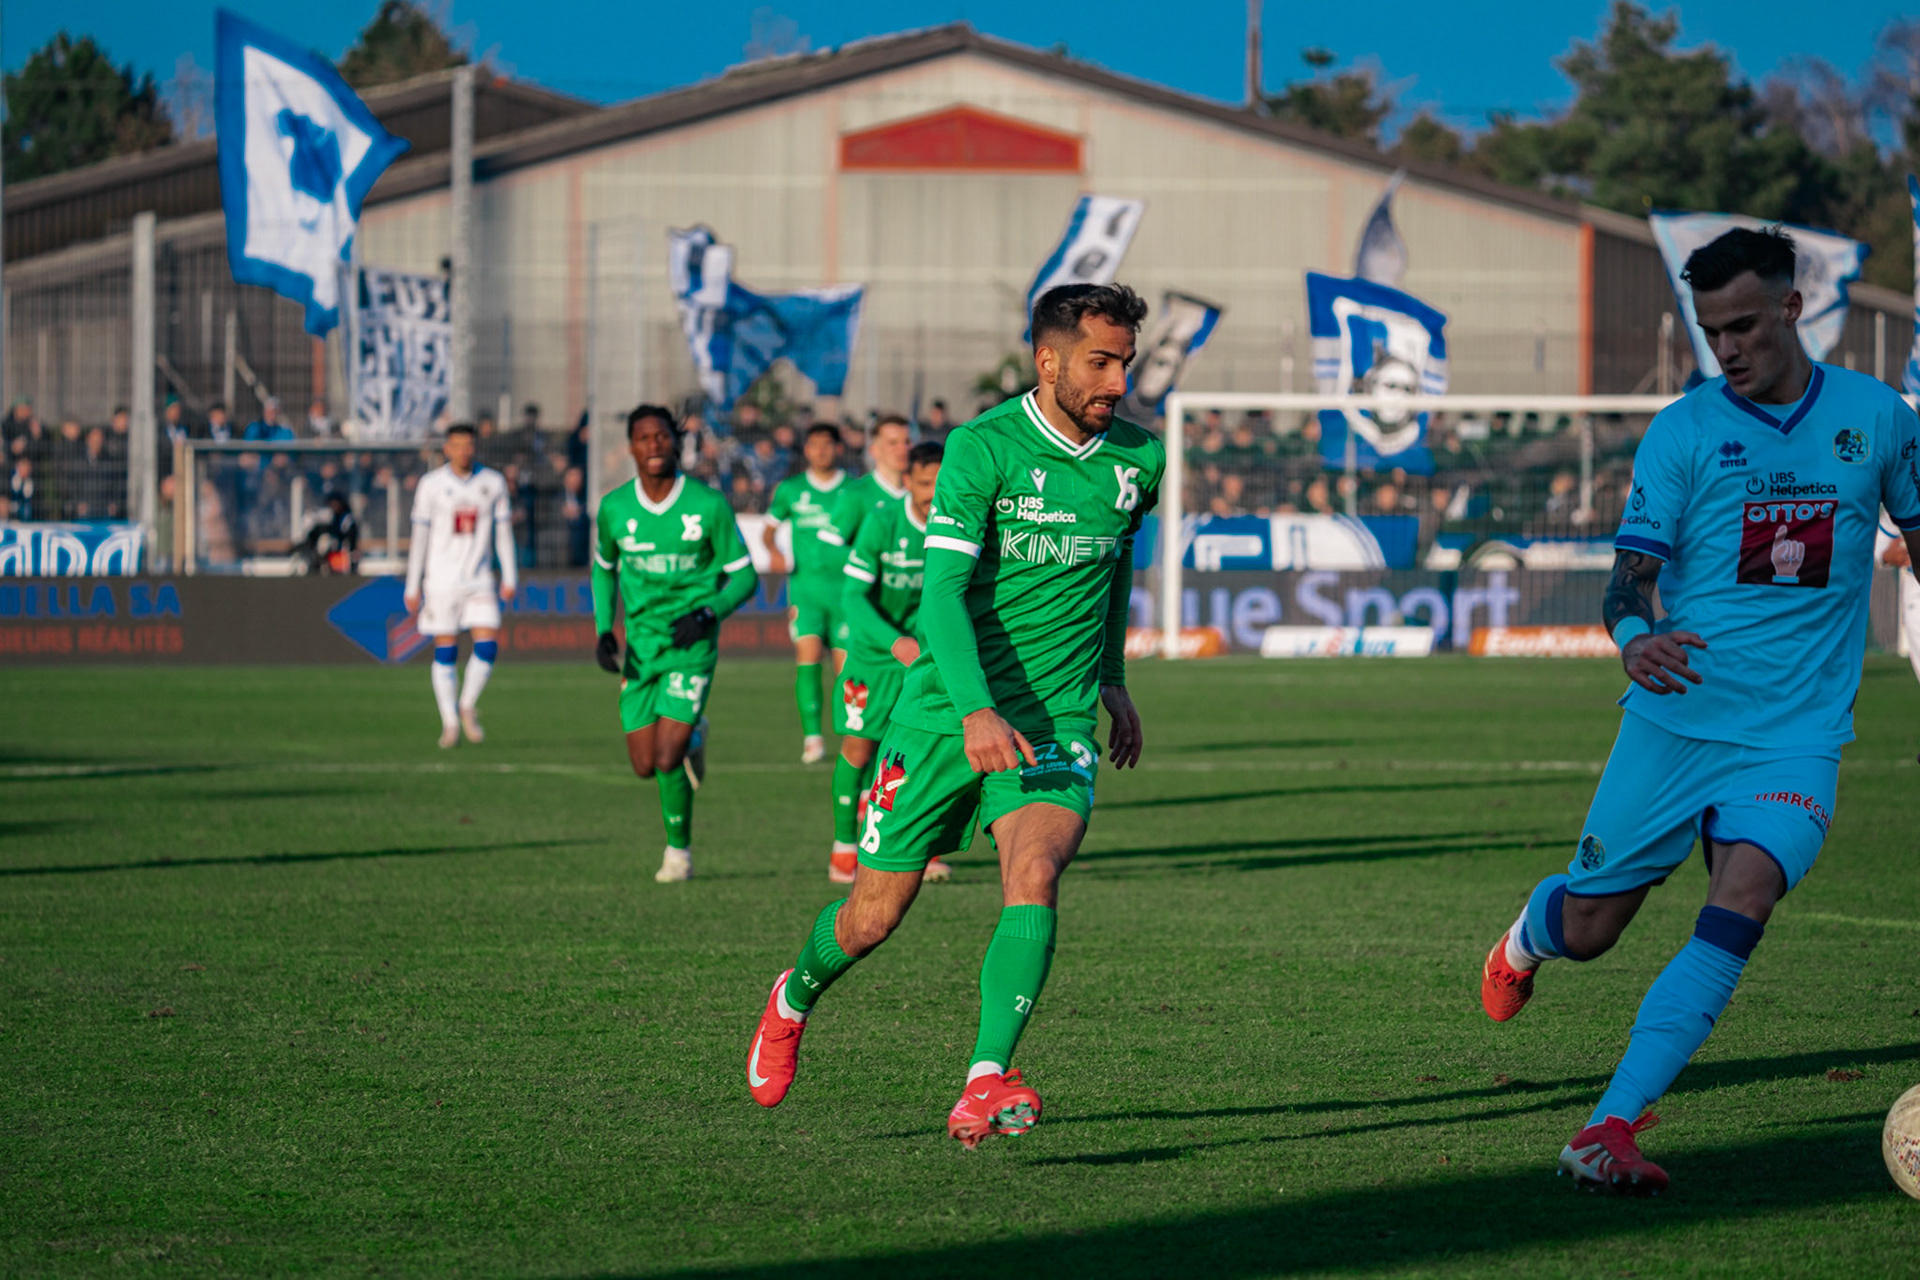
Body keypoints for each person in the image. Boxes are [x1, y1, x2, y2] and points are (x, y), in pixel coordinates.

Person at [1476, 227, 1920, 1194]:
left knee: (1743, 898)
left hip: (1797, 738)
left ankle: (1609, 1126)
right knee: (1593, 929)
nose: (1730, 348)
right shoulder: (1682, 431)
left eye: (1747, 325)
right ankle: (1528, 935)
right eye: (1715, 332)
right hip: (1676, 718)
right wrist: (1634, 636)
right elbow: (1627, 581)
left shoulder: (1878, 418)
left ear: (1794, 310)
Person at [745, 282, 1162, 1147]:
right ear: (1047, 362)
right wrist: (974, 708)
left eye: (1125, 361)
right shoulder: (981, 450)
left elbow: (1116, 568)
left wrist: (1112, 676)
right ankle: (792, 999)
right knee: (871, 919)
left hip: (1056, 721)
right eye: (1100, 361)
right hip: (942, 715)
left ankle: (984, 1078)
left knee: (1035, 874)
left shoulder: (1139, 460)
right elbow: (939, 593)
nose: (1117, 381)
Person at [592, 405, 760, 884]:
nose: (653, 446)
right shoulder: (615, 508)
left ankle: (678, 854)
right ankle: (696, 734)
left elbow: (745, 576)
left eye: (661, 437)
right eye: (643, 438)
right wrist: (605, 629)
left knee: (668, 757)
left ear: (676, 442)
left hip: (693, 644)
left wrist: (709, 612)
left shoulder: (707, 505)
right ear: (631, 447)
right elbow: (604, 568)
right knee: (644, 765)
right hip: (642, 650)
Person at [828, 440, 953, 883]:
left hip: (927, 663)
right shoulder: (881, 524)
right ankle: (844, 849)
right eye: (924, 483)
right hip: (874, 659)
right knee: (860, 750)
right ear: (907, 482)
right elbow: (853, 598)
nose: (933, 492)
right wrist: (895, 642)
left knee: (921, 755)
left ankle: (923, 848)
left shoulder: (959, 528)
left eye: (941, 482)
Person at [405, 423, 518, 749]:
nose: (464, 451)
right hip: (440, 581)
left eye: (469, 445)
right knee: (446, 649)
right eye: (457, 445)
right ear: (447, 449)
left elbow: (502, 533)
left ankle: (467, 703)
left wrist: (509, 576)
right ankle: (450, 722)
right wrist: (413, 585)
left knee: (487, 644)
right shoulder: (431, 485)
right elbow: (420, 537)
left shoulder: (493, 483)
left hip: (479, 579)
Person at [763, 424, 851, 766]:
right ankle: (813, 738)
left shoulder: (853, 490)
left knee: (847, 672)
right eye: (814, 445)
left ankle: (851, 734)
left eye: (827, 444)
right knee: (808, 658)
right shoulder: (791, 490)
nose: (821, 451)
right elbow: (769, 531)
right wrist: (773, 550)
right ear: (807, 450)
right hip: (806, 591)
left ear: (838, 449)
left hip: (846, 594)